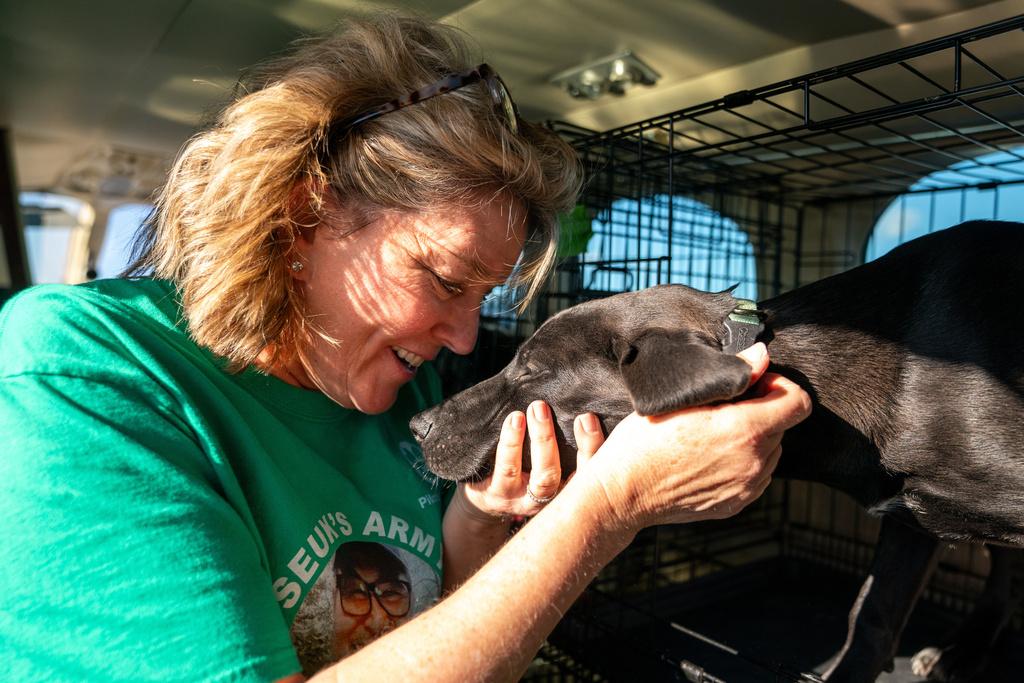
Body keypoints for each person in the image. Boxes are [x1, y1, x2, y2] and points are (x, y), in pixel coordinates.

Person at [0, 11, 811, 683]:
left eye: (484, 298)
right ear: (303, 216)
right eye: (447, 279)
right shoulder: (81, 369)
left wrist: (482, 515)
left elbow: (437, 616)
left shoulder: (405, 388)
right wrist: (607, 509)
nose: (463, 337)